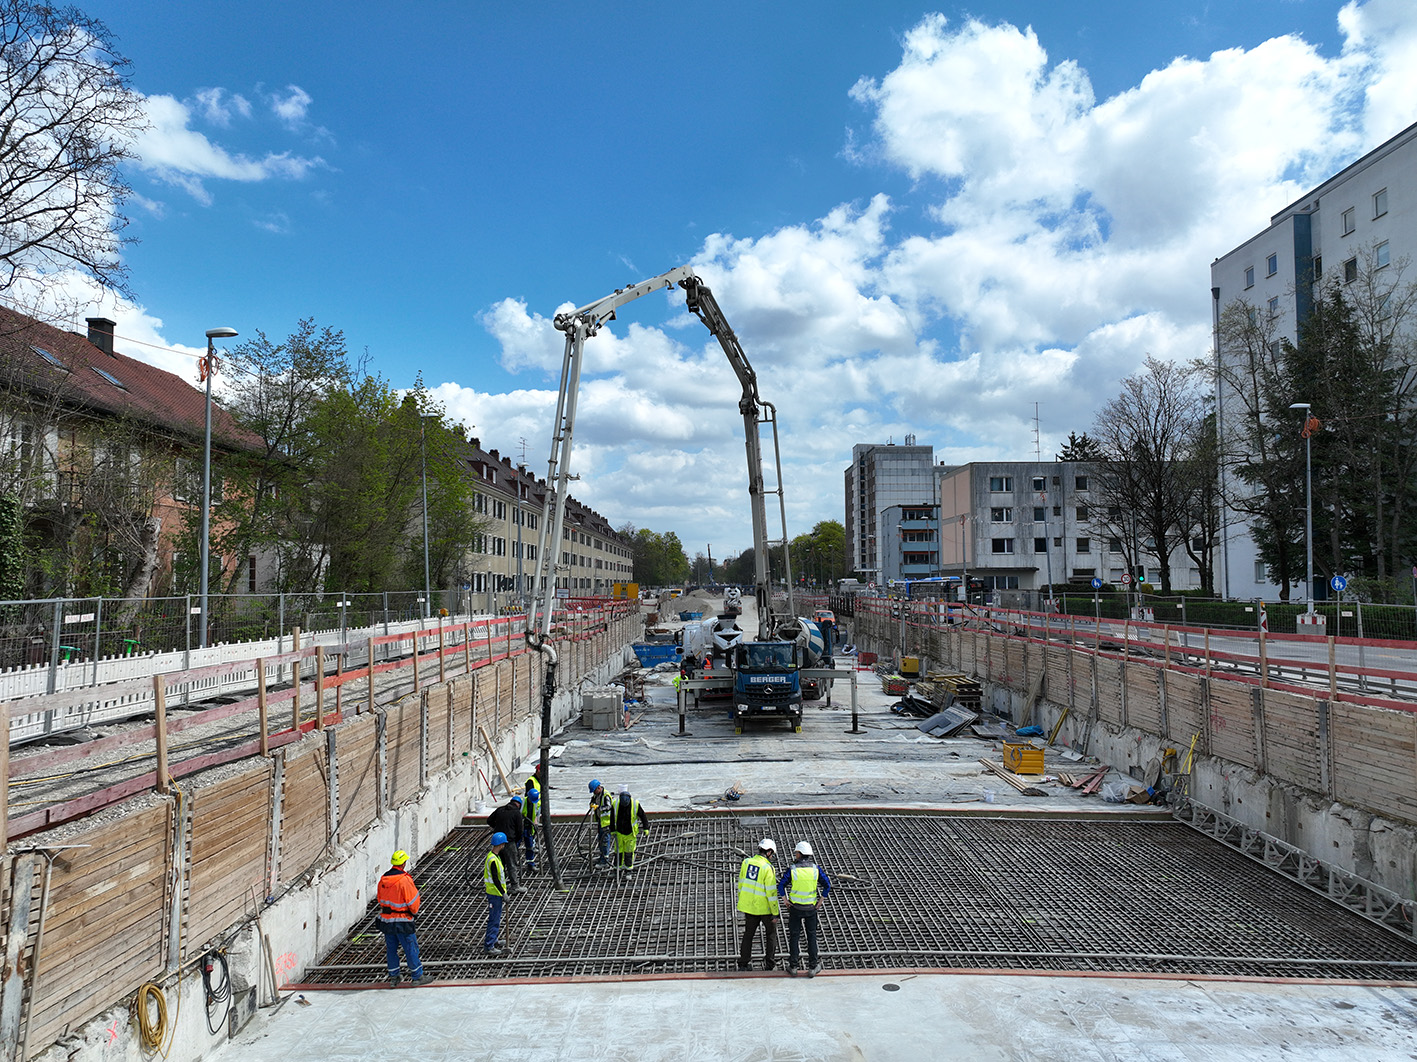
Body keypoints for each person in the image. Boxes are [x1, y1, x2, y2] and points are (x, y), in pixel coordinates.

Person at [376, 850, 434, 986]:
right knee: (410, 948)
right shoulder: (404, 880)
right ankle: (417, 976)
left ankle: (394, 977)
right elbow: (413, 901)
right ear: (403, 863)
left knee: (391, 949)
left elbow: (380, 898)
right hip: (402, 920)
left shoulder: (383, 879)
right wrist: (413, 913)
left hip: (387, 920)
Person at [777, 840, 831, 977]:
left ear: (800, 854)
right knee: (811, 936)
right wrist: (820, 901)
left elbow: (781, 885)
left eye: (796, 852)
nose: (795, 854)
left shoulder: (793, 869)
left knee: (794, 936)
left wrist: (785, 901)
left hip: (795, 909)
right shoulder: (815, 869)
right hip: (811, 909)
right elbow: (827, 885)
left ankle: (793, 966)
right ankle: (813, 966)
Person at [736, 838, 780, 971]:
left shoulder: (746, 862)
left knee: (748, 934)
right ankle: (770, 964)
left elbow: (741, 884)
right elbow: (771, 893)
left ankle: (743, 964)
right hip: (765, 909)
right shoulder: (768, 868)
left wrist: (743, 901)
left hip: (749, 907)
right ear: (769, 852)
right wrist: (775, 912)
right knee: (771, 935)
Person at [485, 794, 527, 894]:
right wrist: (516, 840)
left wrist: (497, 828)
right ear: (519, 805)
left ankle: (501, 884)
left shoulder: (500, 810)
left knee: (501, 864)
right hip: (509, 842)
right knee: (512, 864)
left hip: (497, 842)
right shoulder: (516, 813)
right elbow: (520, 830)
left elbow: (489, 820)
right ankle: (514, 886)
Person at [483, 832, 510, 957]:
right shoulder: (493, 860)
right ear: (501, 844)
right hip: (494, 894)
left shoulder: (495, 857)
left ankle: (494, 940)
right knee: (494, 920)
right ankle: (489, 945)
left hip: (496, 893)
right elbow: (495, 879)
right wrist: (503, 893)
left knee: (496, 919)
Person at [611, 785, 649, 870]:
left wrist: (646, 828)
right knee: (618, 852)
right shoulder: (615, 804)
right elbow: (612, 818)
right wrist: (612, 829)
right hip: (619, 832)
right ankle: (617, 868)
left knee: (628, 852)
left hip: (630, 833)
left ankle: (629, 868)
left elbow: (643, 816)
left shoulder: (635, 804)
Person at [588, 779, 613, 868]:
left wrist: (599, 807)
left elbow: (609, 806)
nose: (593, 793)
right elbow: (592, 801)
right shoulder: (596, 795)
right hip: (600, 822)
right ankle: (602, 857)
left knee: (605, 841)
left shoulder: (605, 795)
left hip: (606, 823)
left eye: (594, 790)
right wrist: (591, 804)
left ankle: (605, 861)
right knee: (600, 840)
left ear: (599, 788)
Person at [522, 766, 542, 873]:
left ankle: (530, 864)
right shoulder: (531, 781)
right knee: (516, 845)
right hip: (522, 825)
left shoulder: (540, 781)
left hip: (533, 817)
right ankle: (512, 866)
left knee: (530, 845)